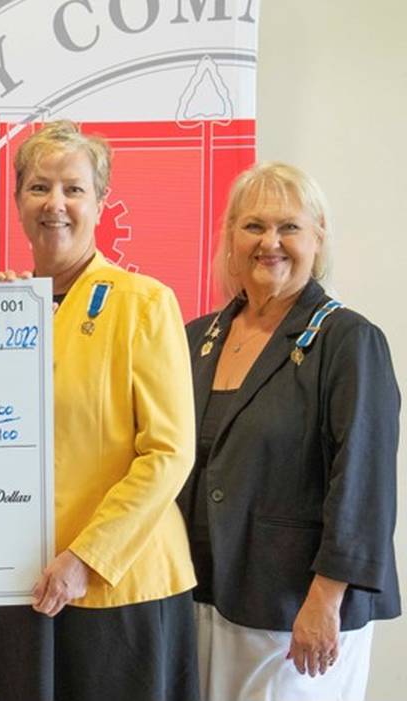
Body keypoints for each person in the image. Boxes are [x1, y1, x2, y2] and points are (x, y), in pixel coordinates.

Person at [0, 120, 199, 701]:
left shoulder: (145, 304)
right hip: (13, 584)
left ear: (100, 202)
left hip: (116, 590)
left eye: (73, 189)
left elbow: (168, 453)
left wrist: (87, 558)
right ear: (16, 202)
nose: (55, 204)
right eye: (39, 187)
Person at [179, 162, 400, 700]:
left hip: (294, 611)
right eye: (253, 226)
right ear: (231, 236)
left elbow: (363, 481)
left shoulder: (349, 341)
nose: (269, 243)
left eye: (289, 227)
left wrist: (326, 598)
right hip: (199, 597)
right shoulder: (194, 338)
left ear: (317, 238)